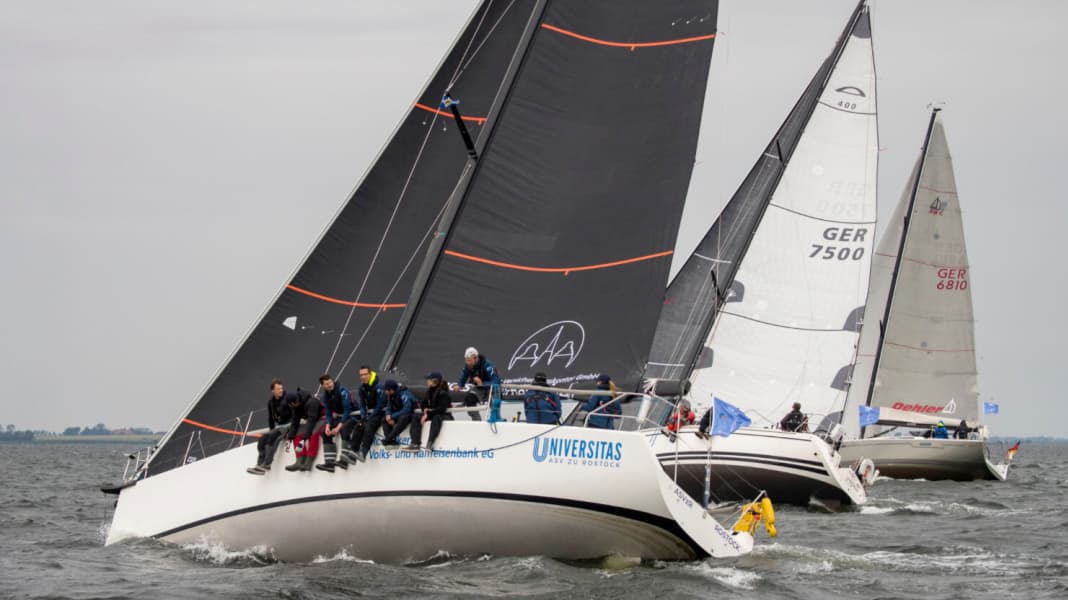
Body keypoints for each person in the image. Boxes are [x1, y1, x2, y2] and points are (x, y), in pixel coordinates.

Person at [247, 378, 295, 475]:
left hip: (289, 425)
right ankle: (259, 465)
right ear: (273, 390)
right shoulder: (271, 402)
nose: (280, 390)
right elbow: (270, 418)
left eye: (281, 388)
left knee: (272, 438)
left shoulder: (288, 398)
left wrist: (292, 430)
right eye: (278, 389)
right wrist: (271, 430)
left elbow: (296, 414)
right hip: (278, 426)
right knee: (262, 440)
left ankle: (267, 464)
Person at [405, 371, 453, 452]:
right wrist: (425, 411)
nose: (427, 381)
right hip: (432, 413)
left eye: (429, 379)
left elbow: (441, 409)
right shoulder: (429, 391)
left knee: (436, 418)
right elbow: (423, 404)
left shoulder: (443, 393)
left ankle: (430, 443)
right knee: (416, 416)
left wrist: (428, 413)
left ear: (434, 381)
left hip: (443, 415)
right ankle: (415, 443)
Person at [315, 374, 354, 473]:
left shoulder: (342, 391)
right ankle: (329, 463)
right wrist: (328, 426)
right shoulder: (325, 396)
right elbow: (328, 413)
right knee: (324, 432)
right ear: (323, 386)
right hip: (341, 416)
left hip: (353, 415)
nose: (329, 385)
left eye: (330, 382)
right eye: (326, 384)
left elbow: (347, 411)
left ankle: (344, 461)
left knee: (344, 429)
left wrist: (338, 427)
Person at [451, 347, 500, 421]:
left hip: (491, 389)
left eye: (470, 361)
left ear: (476, 358)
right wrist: (459, 385)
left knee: (494, 404)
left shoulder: (488, 365)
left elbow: (496, 381)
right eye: (466, 361)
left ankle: (496, 419)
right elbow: (463, 379)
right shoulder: (468, 366)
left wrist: (482, 383)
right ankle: (477, 421)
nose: (468, 363)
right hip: (479, 389)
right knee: (469, 399)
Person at [285, 388, 323, 471]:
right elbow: (295, 422)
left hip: (322, 418)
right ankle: (300, 460)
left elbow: (312, 420)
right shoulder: (296, 406)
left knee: (313, 433)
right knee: (297, 434)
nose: (294, 406)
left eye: (294, 404)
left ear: (297, 400)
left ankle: (309, 461)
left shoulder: (312, 402)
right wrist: (289, 437)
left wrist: (304, 438)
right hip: (312, 420)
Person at [354, 372, 389, 462]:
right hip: (370, 413)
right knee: (359, 425)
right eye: (361, 375)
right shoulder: (362, 388)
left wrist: (369, 417)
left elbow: (380, 405)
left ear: (370, 375)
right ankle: (354, 450)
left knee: (369, 426)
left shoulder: (379, 386)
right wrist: (363, 416)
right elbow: (362, 404)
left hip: (381, 413)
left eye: (365, 374)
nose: (363, 377)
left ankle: (364, 452)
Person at [381, 379, 418, 447]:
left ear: (391, 390)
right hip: (399, 413)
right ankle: (391, 442)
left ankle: (389, 438)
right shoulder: (390, 395)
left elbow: (407, 409)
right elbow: (389, 407)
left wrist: (392, 416)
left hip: (410, 414)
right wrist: (388, 415)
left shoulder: (404, 394)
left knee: (403, 418)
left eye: (385, 389)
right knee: (384, 420)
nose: (384, 391)